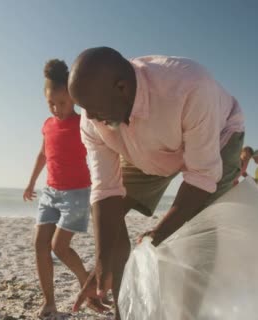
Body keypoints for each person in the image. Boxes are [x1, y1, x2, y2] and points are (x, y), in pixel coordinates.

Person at [68, 47, 245, 320]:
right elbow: (106, 191)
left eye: (94, 109)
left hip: (217, 140)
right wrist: (101, 262)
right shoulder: (93, 118)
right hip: (147, 150)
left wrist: (158, 235)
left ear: (122, 88)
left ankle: (189, 314)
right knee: (110, 222)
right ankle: (124, 311)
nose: (89, 117)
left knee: (200, 235)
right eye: (83, 109)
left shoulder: (190, 86)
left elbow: (201, 176)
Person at [23, 59, 108, 318]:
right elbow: (43, 155)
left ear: (73, 99)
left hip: (77, 193)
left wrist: (104, 189)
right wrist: (30, 183)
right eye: (51, 103)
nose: (56, 108)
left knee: (59, 247)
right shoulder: (48, 125)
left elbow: (103, 149)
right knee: (40, 244)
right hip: (50, 192)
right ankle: (49, 303)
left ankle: (87, 283)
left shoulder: (84, 122)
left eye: (62, 103)